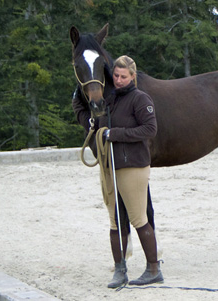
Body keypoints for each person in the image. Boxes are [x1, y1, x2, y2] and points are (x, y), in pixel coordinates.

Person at [72, 55, 163, 288]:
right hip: (110, 165)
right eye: (116, 76)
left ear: (133, 76)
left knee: (138, 218)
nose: (119, 80)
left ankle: (153, 268)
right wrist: (79, 103)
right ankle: (120, 269)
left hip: (133, 166)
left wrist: (116, 134)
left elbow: (150, 129)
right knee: (115, 220)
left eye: (124, 76)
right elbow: (91, 119)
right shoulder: (109, 100)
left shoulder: (140, 99)